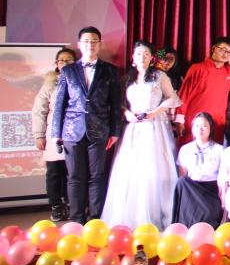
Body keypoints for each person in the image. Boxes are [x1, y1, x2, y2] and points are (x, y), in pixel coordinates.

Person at [102, 40, 181, 228]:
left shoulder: (159, 76)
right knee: (131, 169)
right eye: (139, 53)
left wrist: (155, 112)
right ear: (133, 57)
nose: (142, 57)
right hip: (133, 128)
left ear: (151, 57)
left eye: (146, 54)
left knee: (153, 167)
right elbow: (119, 103)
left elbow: (173, 98)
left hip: (155, 126)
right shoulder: (126, 79)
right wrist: (127, 113)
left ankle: (157, 214)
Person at [51, 26, 123, 224]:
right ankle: (76, 219)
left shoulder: (110, 70)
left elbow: (115, 103)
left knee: (97, 176)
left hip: (100, 129)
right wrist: (56, 132)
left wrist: (115, 131)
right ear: (79, 44)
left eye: (94, 41)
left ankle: (95, 219)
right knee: (75, 177)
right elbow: (60, 103)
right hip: (71, 131)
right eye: (86, 41)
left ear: (99, 44)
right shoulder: (68, 71)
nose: (90, 45)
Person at [32, 47, 76, 221]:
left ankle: (71, 204)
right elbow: (39, 111)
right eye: (61, 60)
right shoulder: (50, 84)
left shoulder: (80, 80)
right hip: (53, 134)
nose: (65, 63)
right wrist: (39, 135)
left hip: (74, 133)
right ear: (56, 64)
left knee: (72, 172)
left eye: (69, 60)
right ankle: (56, 206)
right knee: (54, 172)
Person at [175, 37, 230, 144]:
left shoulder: (229, 72)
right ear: (214, 48)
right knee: (190, 149)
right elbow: (184, 94)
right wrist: (179, 120)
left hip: (217, 122)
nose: (226, 54)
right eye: (223, 50)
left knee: (214, 150)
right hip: (194, 119)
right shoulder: (197, 68)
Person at [172, 112, 224, 227]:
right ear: (192, 128)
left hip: (211, 190)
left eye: (204, 126)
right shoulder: (185, 149)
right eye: (197, 126)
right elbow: (182, 175)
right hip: (191, 189)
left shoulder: (220, 150)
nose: (200, 129)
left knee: (208, 215)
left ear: (210, 129)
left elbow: (223, 176)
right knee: (181, 182)